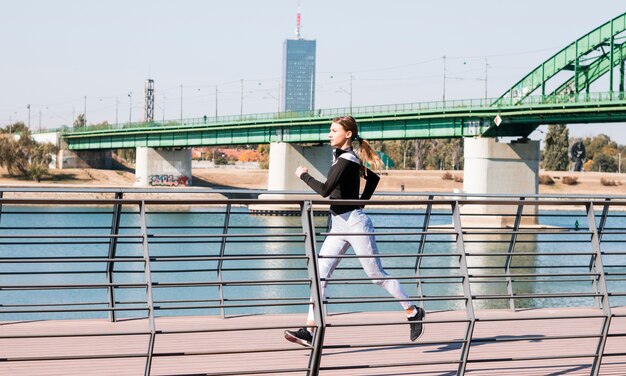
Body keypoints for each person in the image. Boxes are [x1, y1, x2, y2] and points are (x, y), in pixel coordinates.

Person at [284, 115, 425, 348]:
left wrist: (303, 175)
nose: (329, 134)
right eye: (329, 130)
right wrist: (360, 201)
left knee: (376, 276)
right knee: (320, 275)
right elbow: (373, 178)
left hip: (356, 225)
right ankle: (309, 331)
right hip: (338, 224)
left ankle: (412, 310)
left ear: (347, 134)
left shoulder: (346, 159)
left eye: (334, 130)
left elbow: (325, 190)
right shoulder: (344, 159)